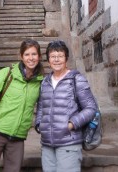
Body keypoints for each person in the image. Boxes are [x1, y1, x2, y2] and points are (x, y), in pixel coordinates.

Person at [0, 38, 44, 172]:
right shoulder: (7, 73)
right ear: (21, 56)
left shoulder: (40, 82)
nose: (30, 58)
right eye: (27, 54)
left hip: (18, 138)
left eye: (34, 54)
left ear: (39, 56)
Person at [35, 40, 98, 172]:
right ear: (48, 60)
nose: (56, 60)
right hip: (47, 144)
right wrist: (39, 124)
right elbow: (41, 106)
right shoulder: (45, 82)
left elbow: (91, 108)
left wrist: (71, 124)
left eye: (60, 56)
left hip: (68, 143)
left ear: (66, 58)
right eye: (53, 56)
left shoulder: (76, 79)